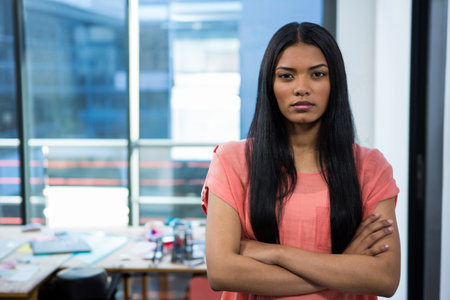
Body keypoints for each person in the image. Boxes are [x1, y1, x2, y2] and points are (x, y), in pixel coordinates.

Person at [201, 22, 400, 300]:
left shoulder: (369, 166)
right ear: (270, 85)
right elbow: (222, 272)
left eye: (317, 74)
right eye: (286, 76)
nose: (302, 88)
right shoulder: (232, 161)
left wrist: (272, 252)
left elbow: (385, 278)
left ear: (335, 83)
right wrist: (345, 263)